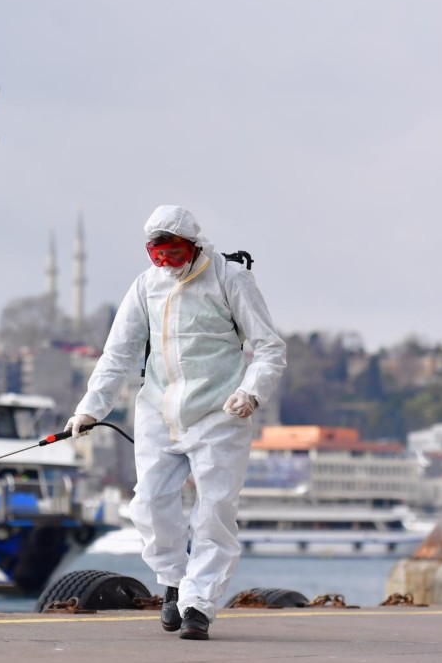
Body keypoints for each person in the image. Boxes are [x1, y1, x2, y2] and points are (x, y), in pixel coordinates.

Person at [66, 205, 286, 640]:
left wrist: (252, 391)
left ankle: (198, 606)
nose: (165, 263)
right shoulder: (146, 286)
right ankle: (173, 582)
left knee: (215, 512)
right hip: (157, 412)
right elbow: (119, 353)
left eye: (172, 254)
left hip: (219, 414)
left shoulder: (229, 278)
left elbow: (269, 347)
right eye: (157, 255)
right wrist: (92, 408)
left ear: (193, 246)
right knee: (148, 503)